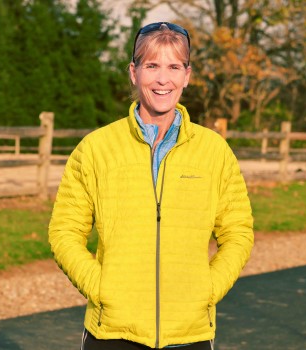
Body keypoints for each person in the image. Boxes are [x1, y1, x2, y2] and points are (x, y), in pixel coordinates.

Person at [48, 22, 254, 350]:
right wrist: (102, 290)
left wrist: (207, 290)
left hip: (190, 333)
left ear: (187, 75)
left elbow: (238, 233)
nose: (162, 79)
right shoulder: (95, 149)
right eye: (152, 66)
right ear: (134, 72)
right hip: (112, 332)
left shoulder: (214, 151)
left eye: (174, 67)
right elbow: (64, 233)